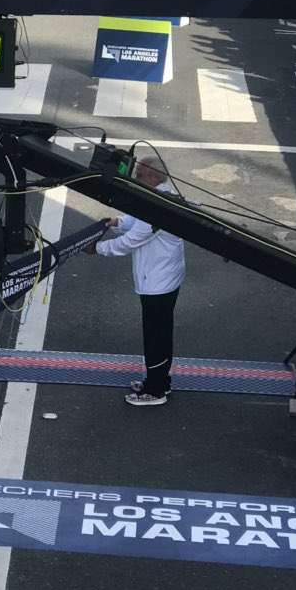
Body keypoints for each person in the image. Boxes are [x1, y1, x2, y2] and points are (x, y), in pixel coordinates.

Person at [83, 155, 185, 407]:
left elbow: (133, 240)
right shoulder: (155, 198)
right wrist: (117, 221)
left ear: (153, 177)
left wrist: (97, 248)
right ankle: (158, 379)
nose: (134, 177)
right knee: (157, 333)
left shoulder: (158, 207)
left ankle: (156, 389)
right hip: (161, 277)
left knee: (156, 336)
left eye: (138, 174)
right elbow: (136, 220)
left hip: (159, 283)